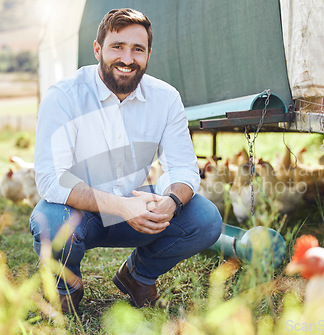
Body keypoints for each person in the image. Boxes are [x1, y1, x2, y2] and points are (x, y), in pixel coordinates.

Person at [30, 8, 223, 314]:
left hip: (138, 206)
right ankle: (67, 287)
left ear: (148, 53)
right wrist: (121, 206)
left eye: (138, 49)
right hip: (78, 212)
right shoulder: (64, 96)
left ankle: (137, 276)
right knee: (50, 224)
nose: (127, 58)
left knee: (205, 219)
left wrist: (171, 201)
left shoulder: (166, 98)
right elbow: (52, 178)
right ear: (97, 49)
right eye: (117, 46)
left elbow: (184, 166)